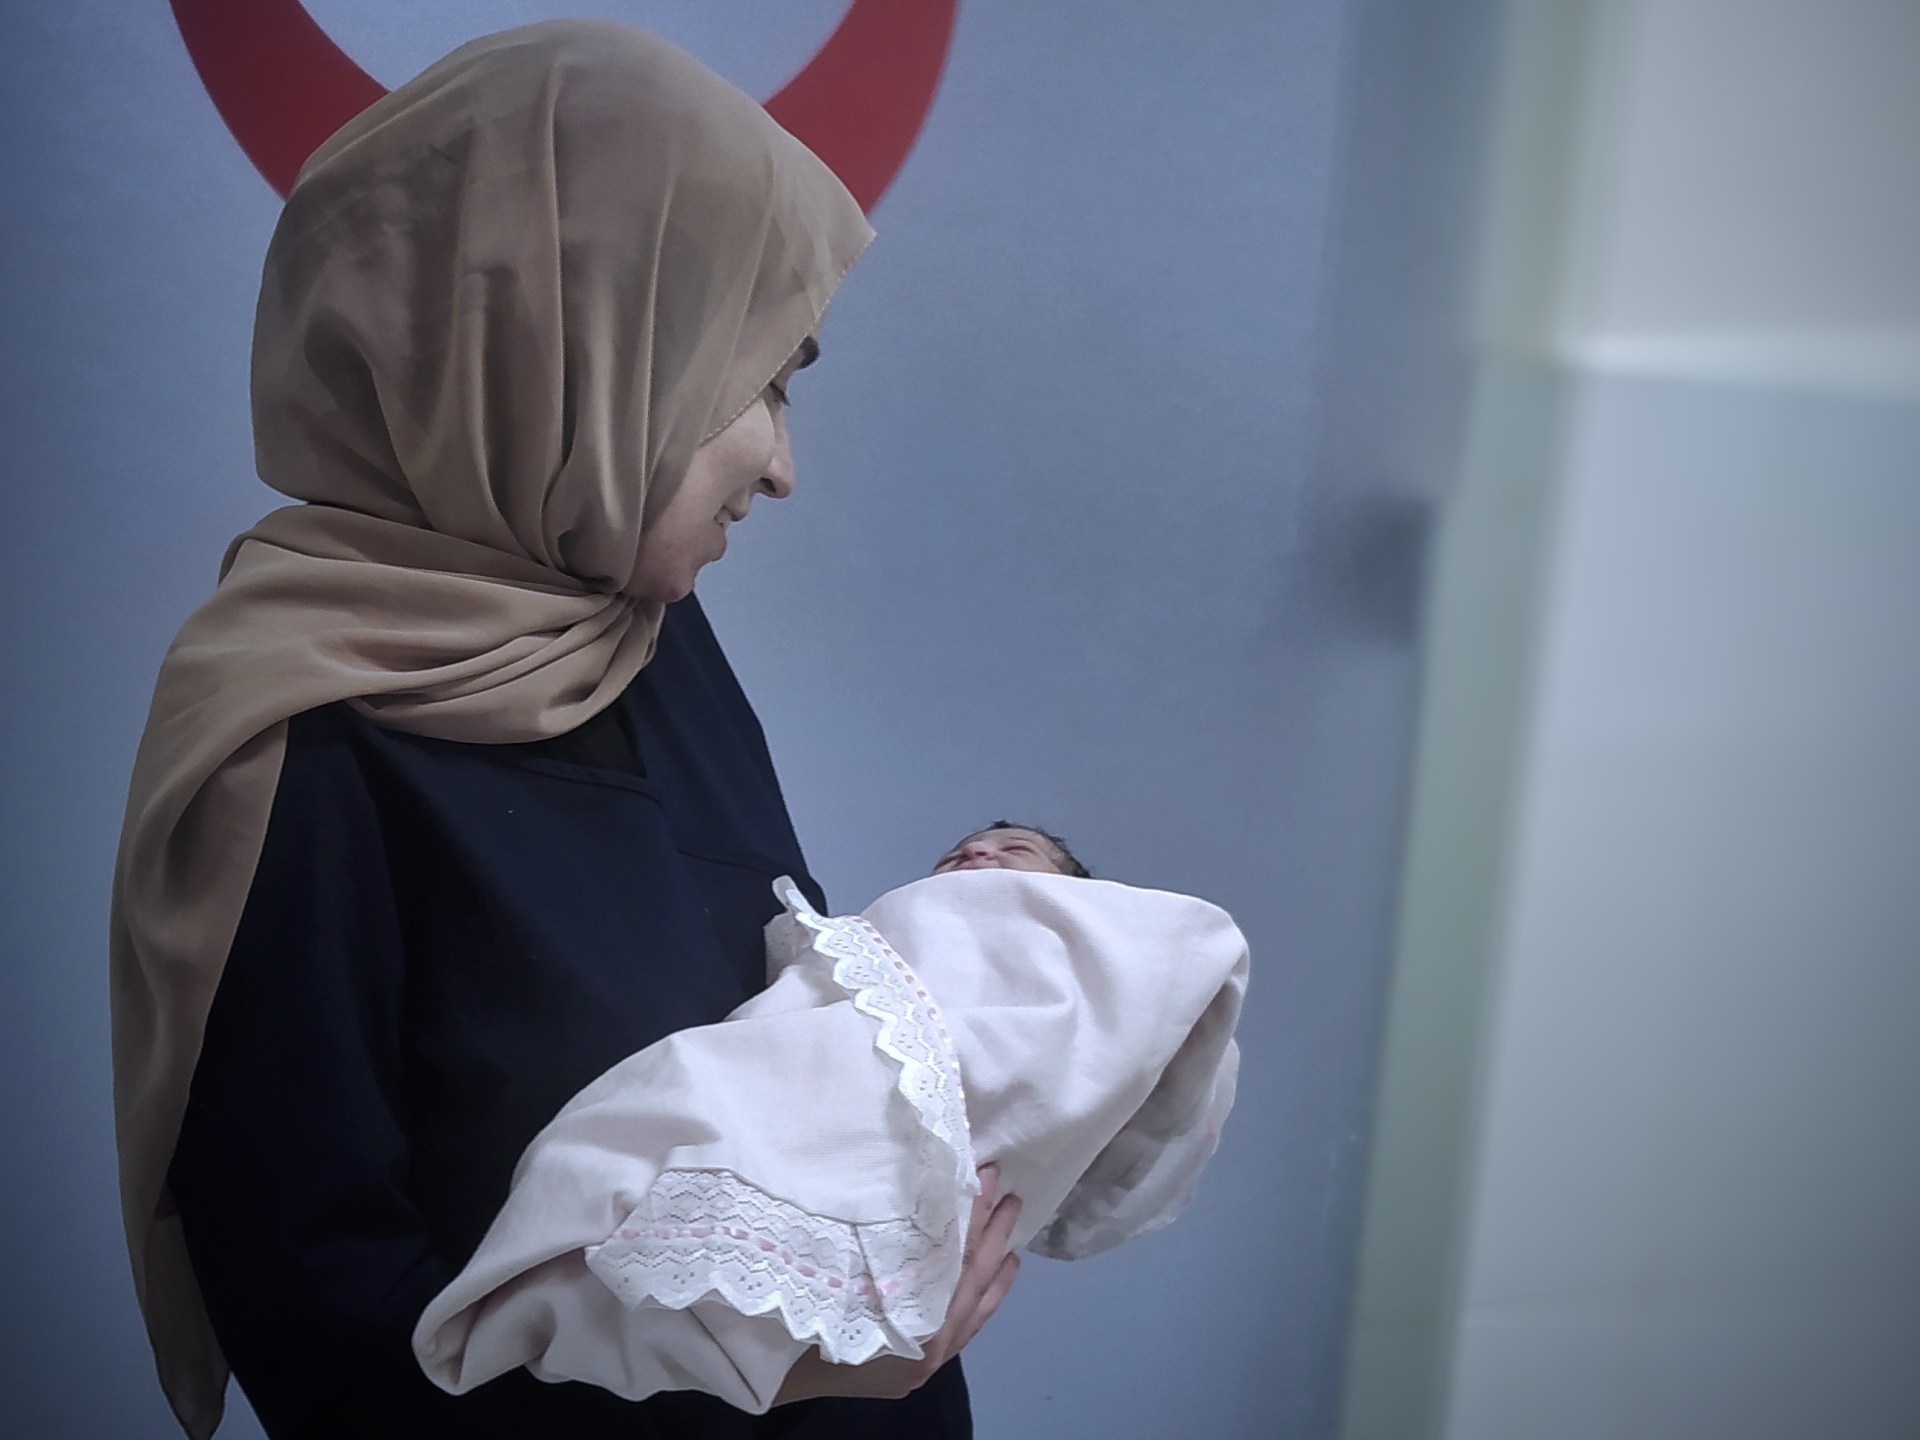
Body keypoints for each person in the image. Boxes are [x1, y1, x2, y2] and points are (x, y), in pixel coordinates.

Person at [109, 21, 1014, 1440]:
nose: (783, 467)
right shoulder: (298, 746)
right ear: (581, 349)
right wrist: (777, 1376)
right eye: (764, 380)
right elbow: (334, 1348)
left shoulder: (650, 641)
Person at [409, 829, 1248, 1413]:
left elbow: (1173, 987)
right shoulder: (878, 940)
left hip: (915, 1316)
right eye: (961, 851)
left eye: (1015, 851)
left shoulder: (1088, 949)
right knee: (706, 1098)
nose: (979, 855)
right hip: (809, 1120)